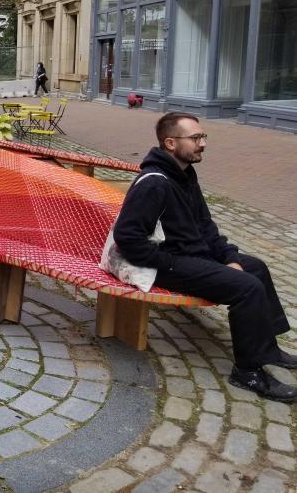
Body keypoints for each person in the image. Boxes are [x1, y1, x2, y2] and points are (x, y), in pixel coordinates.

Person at [113, 112, 297, 402]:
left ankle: (267, 349)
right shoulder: (155, 183)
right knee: (246, 287)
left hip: (189, 256)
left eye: (203, 137)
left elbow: (206, 227)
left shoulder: (185, 176)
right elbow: (128, 239)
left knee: (255, 268)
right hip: (164, 264)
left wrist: (228, 257)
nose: (203, 144)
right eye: (196, 138)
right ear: (170, 143)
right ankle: (247, 372)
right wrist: (169, 262)